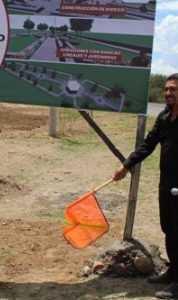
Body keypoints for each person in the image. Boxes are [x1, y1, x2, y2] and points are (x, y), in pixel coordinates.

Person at [114, 73, 178, 299]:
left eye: (174, 90)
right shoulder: (164, 116)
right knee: (169, 228)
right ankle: (173, 272)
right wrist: (127, 164)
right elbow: (149, 144)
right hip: (167, 183)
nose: (169, 93)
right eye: (167, 89)